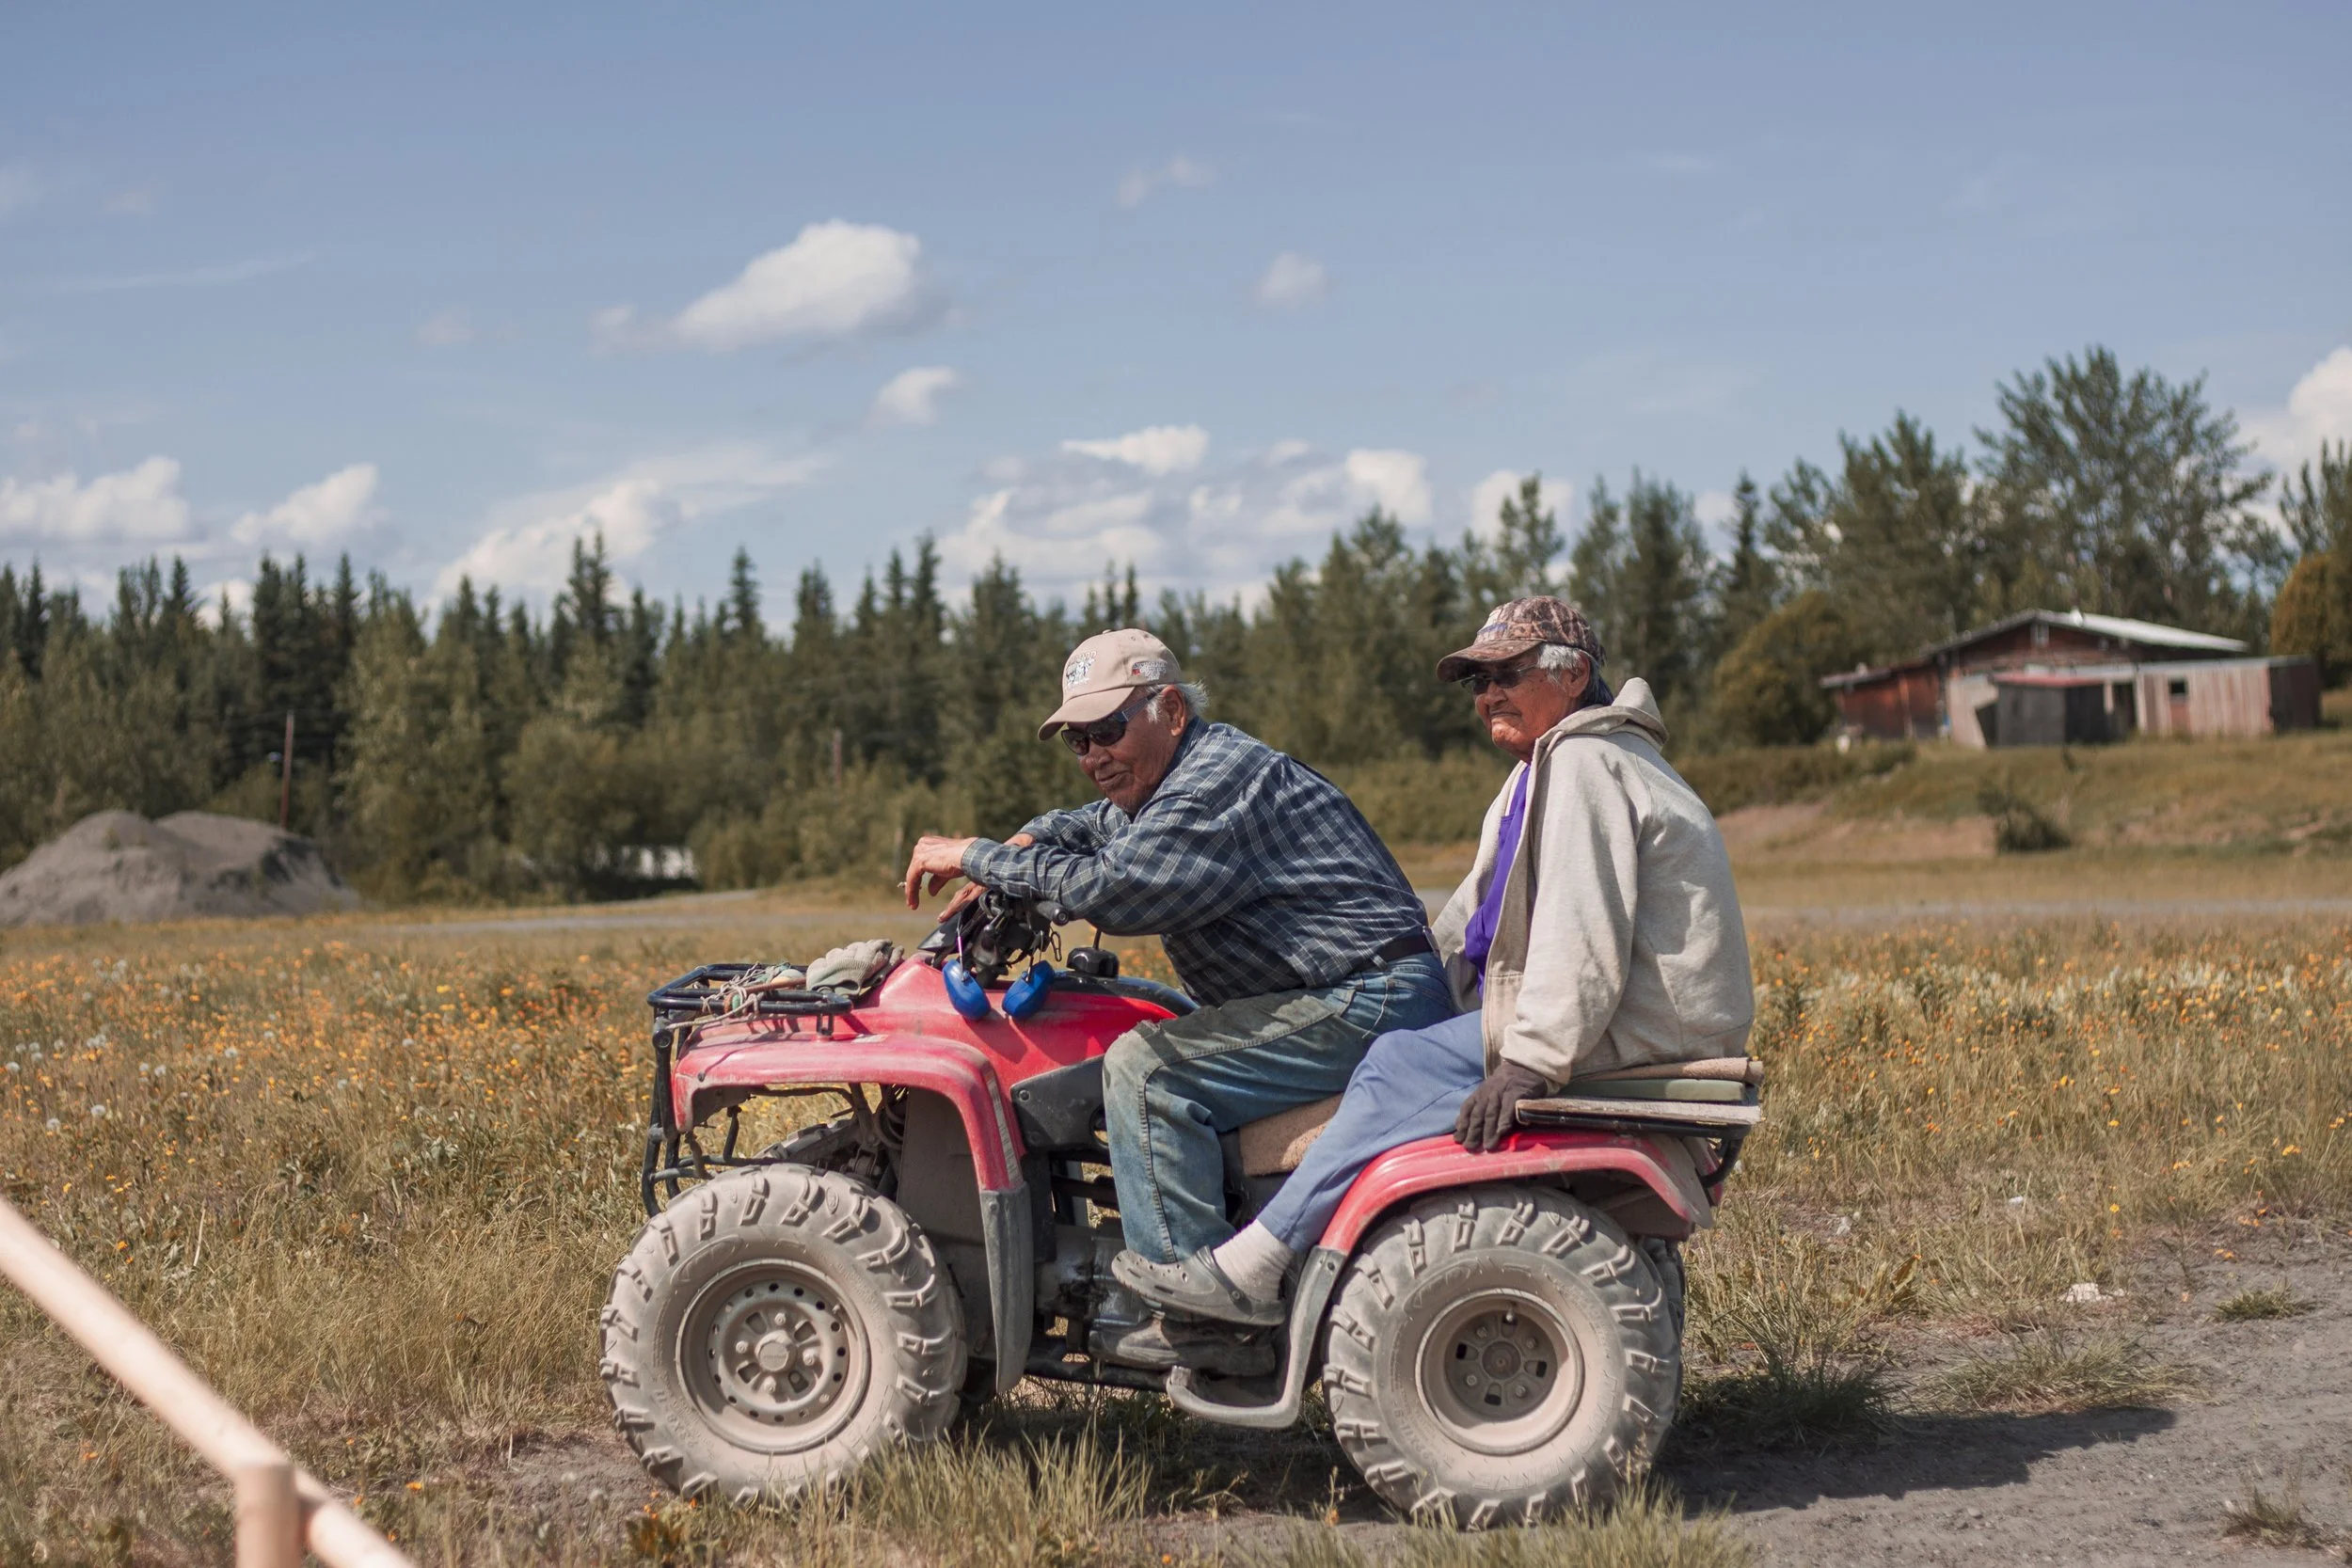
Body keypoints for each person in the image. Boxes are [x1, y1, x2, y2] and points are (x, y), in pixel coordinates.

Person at [1116, 596, 1755, 1326]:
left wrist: (1528, 1062)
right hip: (1628, 1019)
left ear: (1574, 674)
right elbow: (1463, 927)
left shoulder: (1586, 762)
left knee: (1395, 1066)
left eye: (1507, 673)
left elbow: (1584, 929)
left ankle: (1254, 1265)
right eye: (1476, 682)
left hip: (1639, 1030)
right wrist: (1394, 984)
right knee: (1396, 1045)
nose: (1486, 696)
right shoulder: (1543, 771)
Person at [900, 627, 1455, 1369]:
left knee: (1146, 1069)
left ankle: (1198, 1313)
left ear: (1169, 707)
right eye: (1076, 741)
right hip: (1341, 989)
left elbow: (1116, 889)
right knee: (1151, 1018)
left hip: (1369, 995)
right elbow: (1090, 825)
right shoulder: (1163, 782)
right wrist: (1028, 842)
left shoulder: (1216, 781)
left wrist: (974, 853)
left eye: (1107, 729)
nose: (1093, 754)